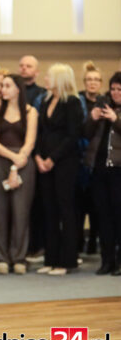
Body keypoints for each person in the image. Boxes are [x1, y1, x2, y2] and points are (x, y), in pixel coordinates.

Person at [0, 74, 38, 274]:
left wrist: (18, 162)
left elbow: (30, 141)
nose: (3, 89)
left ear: (18, 89)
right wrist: (12, 157)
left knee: (21, 211)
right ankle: (1, 257)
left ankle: (19, 257)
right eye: (2, 85)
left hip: (23, 162)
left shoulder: (30, 111)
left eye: (7, 85)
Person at [35, 64, 83, 276]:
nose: (45, 78)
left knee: (65, 210)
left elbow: (73, 136)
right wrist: (38, 156)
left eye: (49, 76)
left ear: (60, 79)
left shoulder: (72, 102)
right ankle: (51, 259)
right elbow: (41, 131)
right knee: (49, 210)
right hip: (44, 162)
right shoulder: (46, 100)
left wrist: (52, 159)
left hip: (64, 163)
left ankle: (67, 261)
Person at [84, 72, 121, 275]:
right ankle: (107, 260)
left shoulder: (115, 114)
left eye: (119, 90)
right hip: (99, 168)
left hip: (118, 170)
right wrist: (92, 118)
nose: (115, 93)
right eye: (113, 89)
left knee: (118, 215)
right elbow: (85, 133)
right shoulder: (104, 105)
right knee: (103, 216)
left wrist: (116, 119)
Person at [77, 61, 103, 254]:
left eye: (96, 80)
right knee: (79, 205)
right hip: (78, 158)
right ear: (84, 82)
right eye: (89, 79)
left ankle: (93, 241)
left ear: (100, 83)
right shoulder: (77, 102)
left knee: (97, 206)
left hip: (98, 160)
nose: (92, 83)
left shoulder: (105, 102)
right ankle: (78, 243)